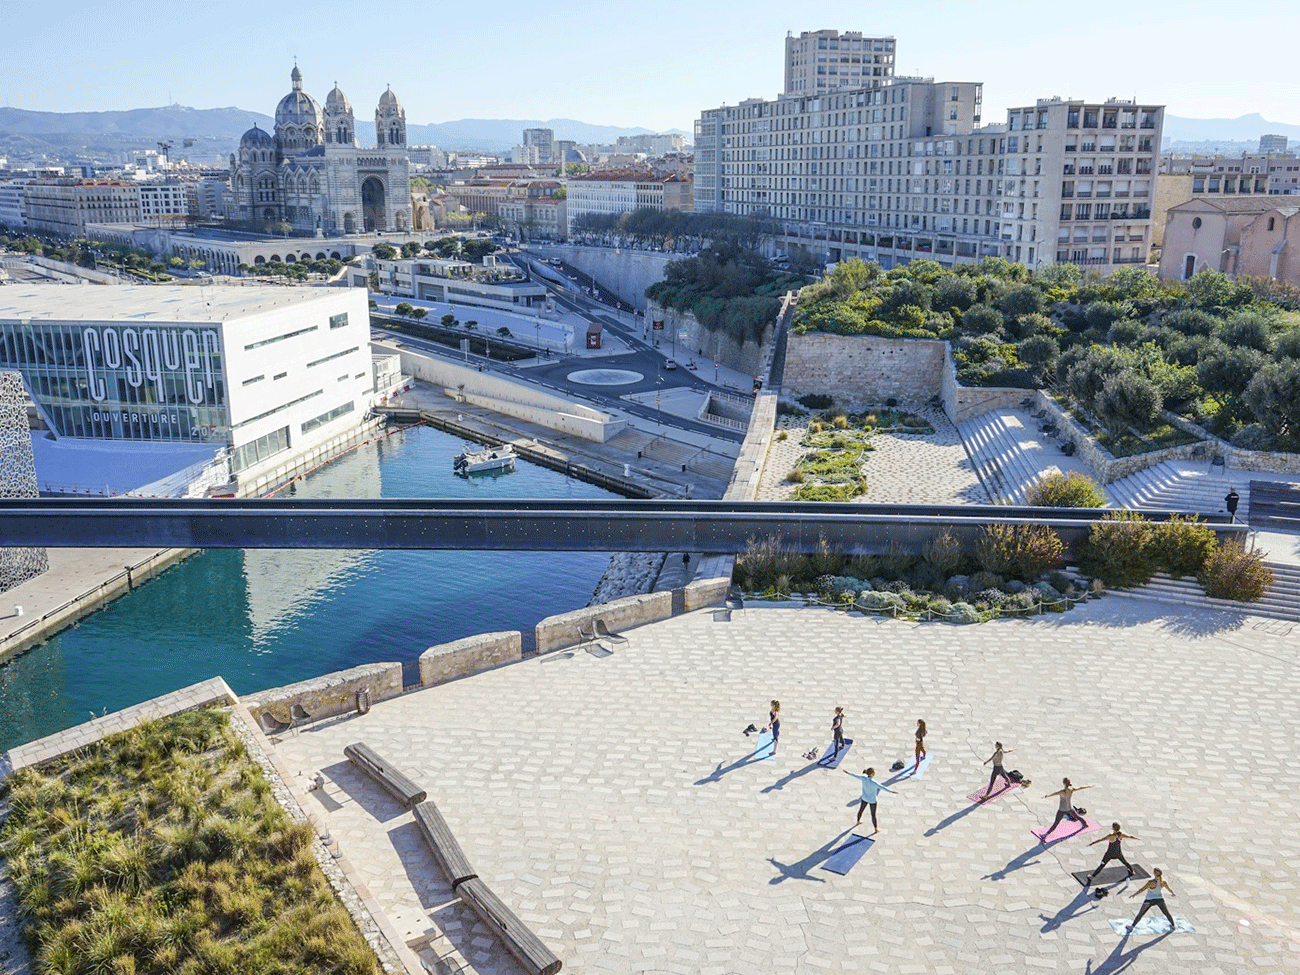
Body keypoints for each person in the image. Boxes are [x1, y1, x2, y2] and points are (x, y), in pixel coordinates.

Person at [844, 767, 893, 831]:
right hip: (872, 800)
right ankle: (876, 828)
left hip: (864, 798)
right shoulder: (874, 782)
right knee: (873, 815)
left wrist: (848, 773)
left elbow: (855, 775)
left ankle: (858, 821)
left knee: (861, 810)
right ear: (872, 774)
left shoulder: (863, 778)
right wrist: (891, 791)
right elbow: (882, 787)